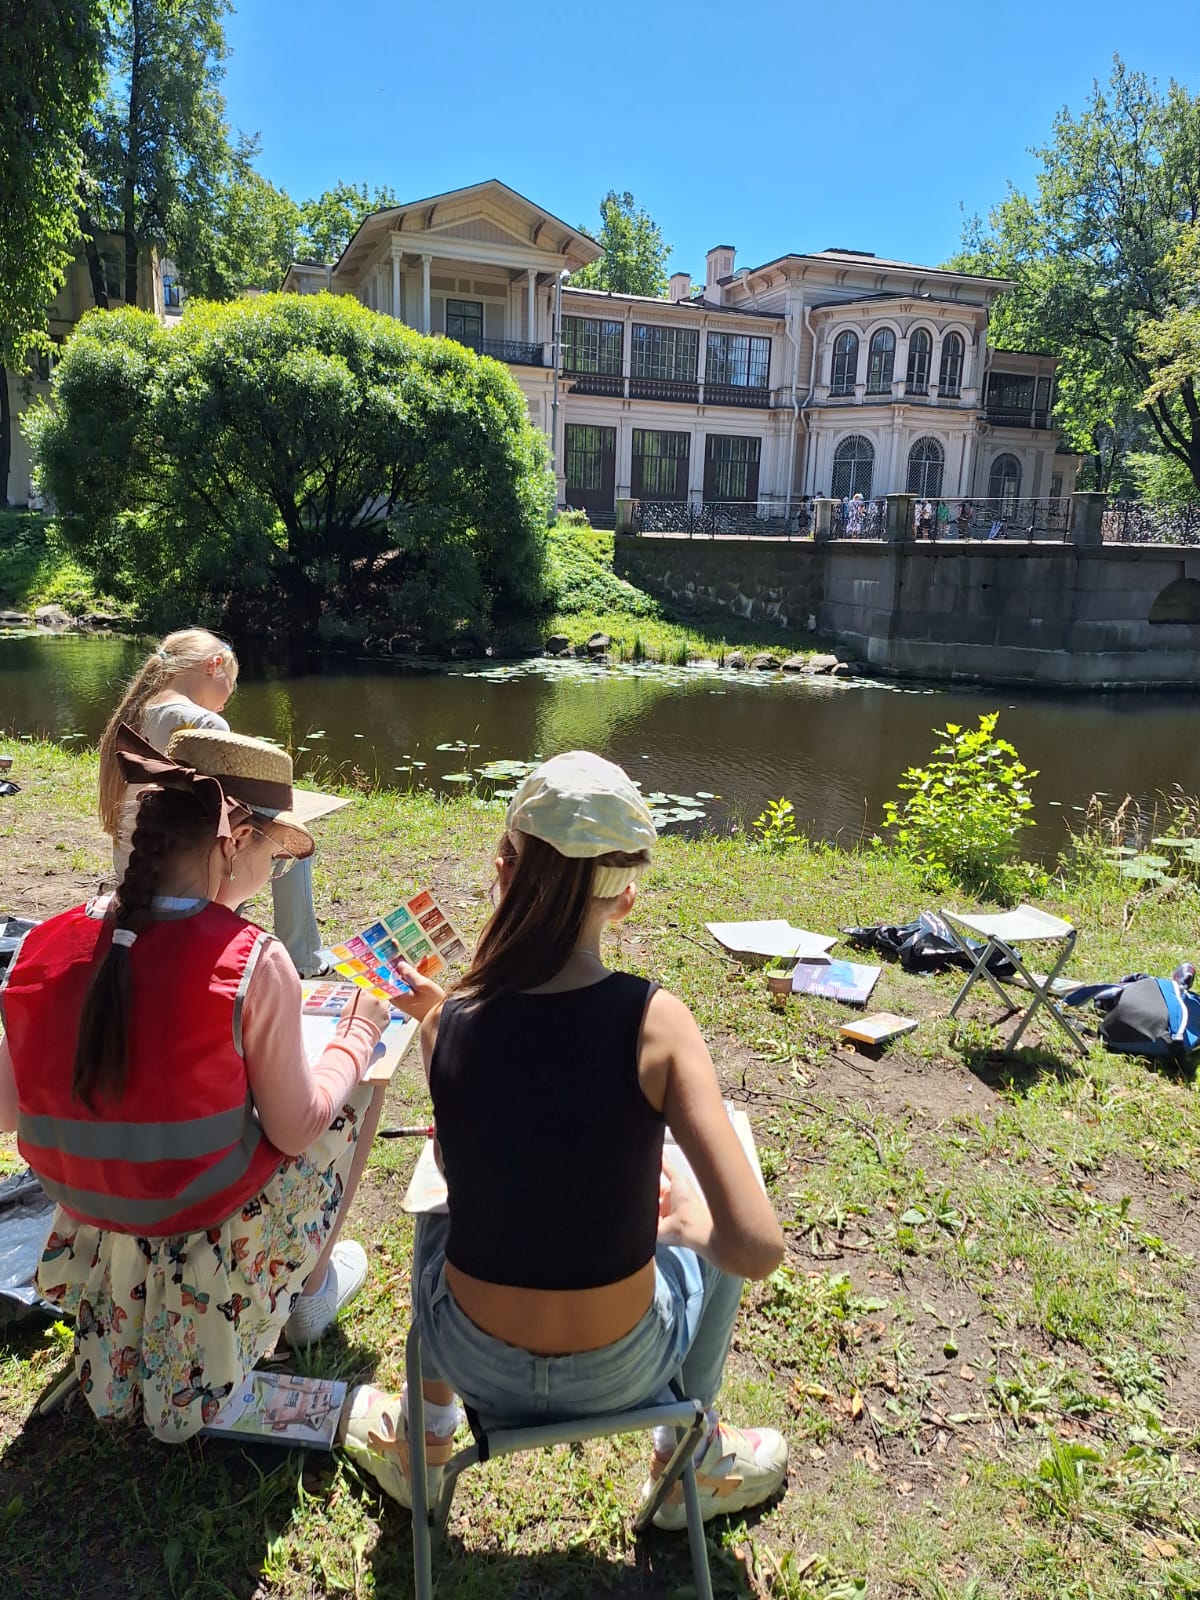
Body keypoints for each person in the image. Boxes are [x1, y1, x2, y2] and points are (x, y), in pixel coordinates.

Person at [339, 752, 788, 1531]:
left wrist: (437, 1021)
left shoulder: (451, 1023)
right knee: (710, 1224)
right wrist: (686, 1224)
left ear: (504, 872)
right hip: (630, 1367)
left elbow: (461, 1165)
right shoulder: (658, 1022)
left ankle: (427, 1438)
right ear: (626, 900)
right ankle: (694, 1458)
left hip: (470, 1356)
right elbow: (756, 1248)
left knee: (437, 1197)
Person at [0, 725, 391, 1439]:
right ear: (234, 839)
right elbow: (296, 1128)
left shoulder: (45, 940)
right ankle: (304, 1292)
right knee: (358, 1087)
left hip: (87, 1201)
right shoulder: (251, 960)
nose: (273, 875)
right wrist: (359, 1037)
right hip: (203, 1208)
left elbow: (6, 1106)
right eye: (274, 856)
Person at [97, 629, 326, 978]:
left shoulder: (132, 713)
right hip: (185, 866)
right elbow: (217, 812)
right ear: (213, 666)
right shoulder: (203, 722)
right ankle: (304, 961)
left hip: (135, 859)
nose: (225, 701)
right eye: (230, 685)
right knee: (288, 843)